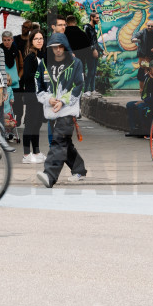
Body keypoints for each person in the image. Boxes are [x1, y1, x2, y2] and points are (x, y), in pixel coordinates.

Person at [35, 32, 87, 187]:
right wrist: (48, 99)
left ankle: (49, 176)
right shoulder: (43, 64)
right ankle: (79, 169)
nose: (57, 50)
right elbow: (38, 86)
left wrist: (63, 101)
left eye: (60, 46)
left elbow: (79, 85)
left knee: (58, 141)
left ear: (65, 47)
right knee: (64, 142)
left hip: (68, 109)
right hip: (52, 110)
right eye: (54, 47)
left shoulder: (76, 63)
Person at [18, 28, 48, 163]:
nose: (39, 41)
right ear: (31, 42)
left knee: (37, 124)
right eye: (36, 39)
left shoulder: (41, 56)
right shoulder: (30, 57)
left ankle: (36, 152)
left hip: (40, 95)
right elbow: (26, 77)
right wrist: (39, 75)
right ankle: (26, 154)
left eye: (41, 38)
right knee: (30, 124)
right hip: (32, 95)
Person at [84, 12, 102, 92]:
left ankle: (93, 90)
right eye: (97, 18)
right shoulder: (86, 27)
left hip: (95, 52)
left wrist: (101, 50)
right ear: (92, 17)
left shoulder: (94, 27)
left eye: (98, 18)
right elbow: (87, 41)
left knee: (94, 72)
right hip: (89, 53)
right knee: (90, 71)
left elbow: (95, 41)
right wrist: (93, 49)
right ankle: (86, 90)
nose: (98, 19)